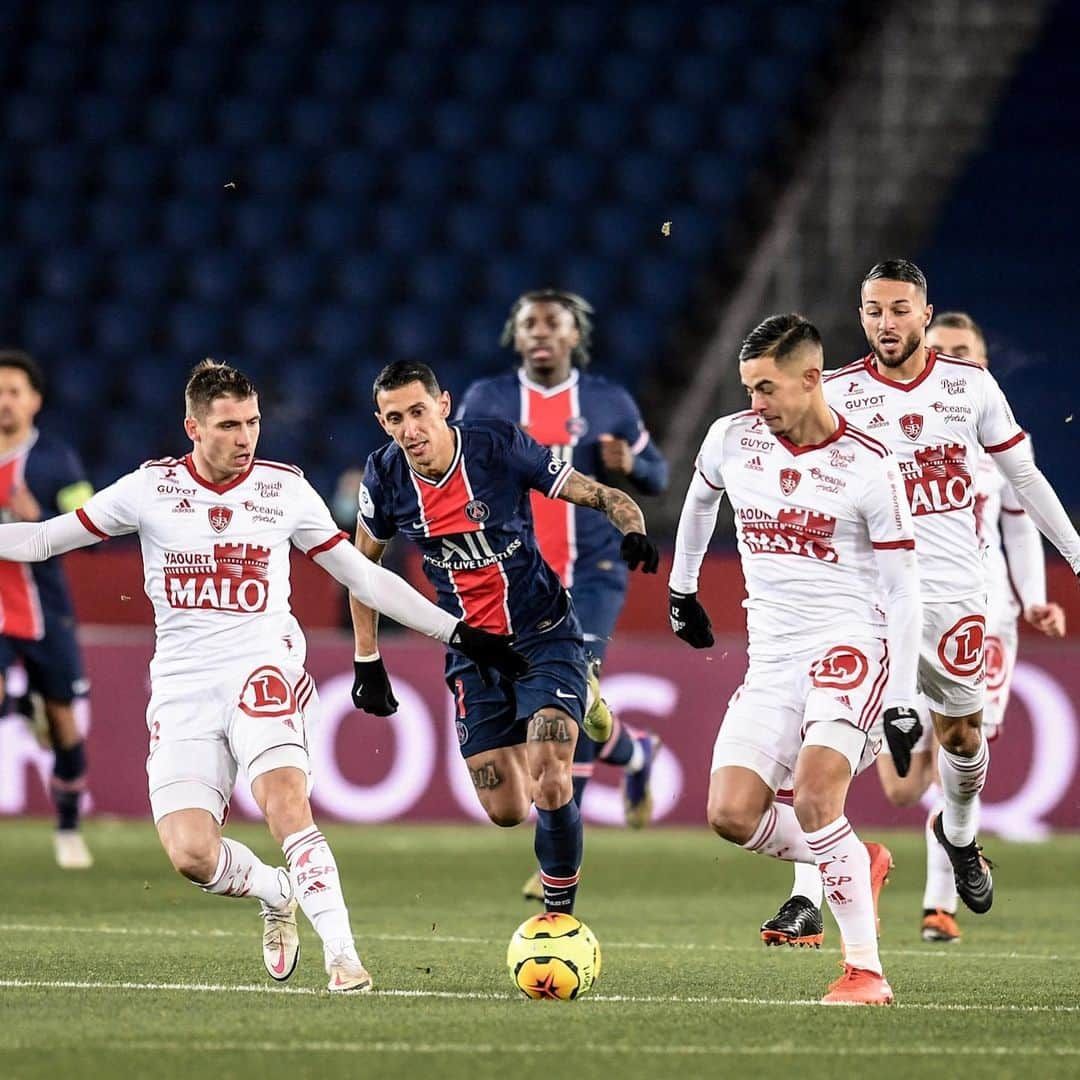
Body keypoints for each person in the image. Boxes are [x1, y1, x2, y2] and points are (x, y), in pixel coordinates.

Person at [0, 359, 527, 993]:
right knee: (191, 854)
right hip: (183, 684)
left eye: (252, 423)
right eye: (228, 426)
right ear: (192, 428)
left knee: (285, 802)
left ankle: (344, 956)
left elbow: (363, 576)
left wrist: (456, 631)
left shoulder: (284, 491)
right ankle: (276, 891)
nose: (245, 438)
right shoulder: (148, 491)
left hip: (264, 664)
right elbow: (40, 541)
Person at [762, 261, 1080, 948]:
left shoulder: (971, 389)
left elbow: (1025, 478)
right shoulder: (838, 392)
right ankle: (804, 896)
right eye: (874, 310)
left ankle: (959, 836)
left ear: (924, 314)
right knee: (819, 741)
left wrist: (1076, 555)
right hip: (865, 603)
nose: (886, 323)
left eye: (899, 309)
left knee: (962, 739)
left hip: (955, 597)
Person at [669, 313, 922, 1005]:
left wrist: (901, 695)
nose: (756, 404)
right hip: (772, 658)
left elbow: (904, 590)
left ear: (812, 379)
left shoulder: (869, 465)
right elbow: (698, 503)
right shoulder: (732, 439)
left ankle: (865, 972)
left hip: (850, 647)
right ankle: (852, 858)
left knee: (814, 796)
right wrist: (682, 588)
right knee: (730, 813)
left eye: (767, 389)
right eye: (749, 387)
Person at [349, 360, 659, 916]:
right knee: (507, 807)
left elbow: (599, 494)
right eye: (395, 419)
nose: (410, 430)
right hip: (472, 651)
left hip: (544, 633)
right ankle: (611, 727)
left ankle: (558, 918)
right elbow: (360, 571)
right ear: (382, 422)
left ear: (443, 406)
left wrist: (632, 529)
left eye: (419, 412)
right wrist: (366, 659)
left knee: (550, 773)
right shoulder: (385, 476)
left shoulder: (498, 446)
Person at [457, 289, 669, 899]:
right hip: (518, 580)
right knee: (581, 706)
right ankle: (633, 754)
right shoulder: (487, 400)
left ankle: (554, 853)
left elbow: (656, 474)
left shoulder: (608, 401)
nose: (541, 333)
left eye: (554, 323)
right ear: (515, 335)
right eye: (529, 324)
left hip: (593, 570)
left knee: (564, 708)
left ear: (576, 334)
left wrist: (628, 461)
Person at [897, 312, 1065, 943]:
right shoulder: (890, 423)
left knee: (961, 748)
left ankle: (940, 901)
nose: (948, 359)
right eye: (939, 349)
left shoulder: (996, 439)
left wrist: (1034, 597)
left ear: (983, 364)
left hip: (982, 613)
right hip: (903, 607)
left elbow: (1019, 524)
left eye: (962, 351)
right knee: (901, 785)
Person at [0, 349, 95, 869]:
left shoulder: (57, 459)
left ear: (34, 400)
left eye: (14, 391)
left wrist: (46, 525)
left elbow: (94, 530)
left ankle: (67, 828)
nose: (5, 403)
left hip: (43, 612)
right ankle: (19, 707)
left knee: (63, 724)